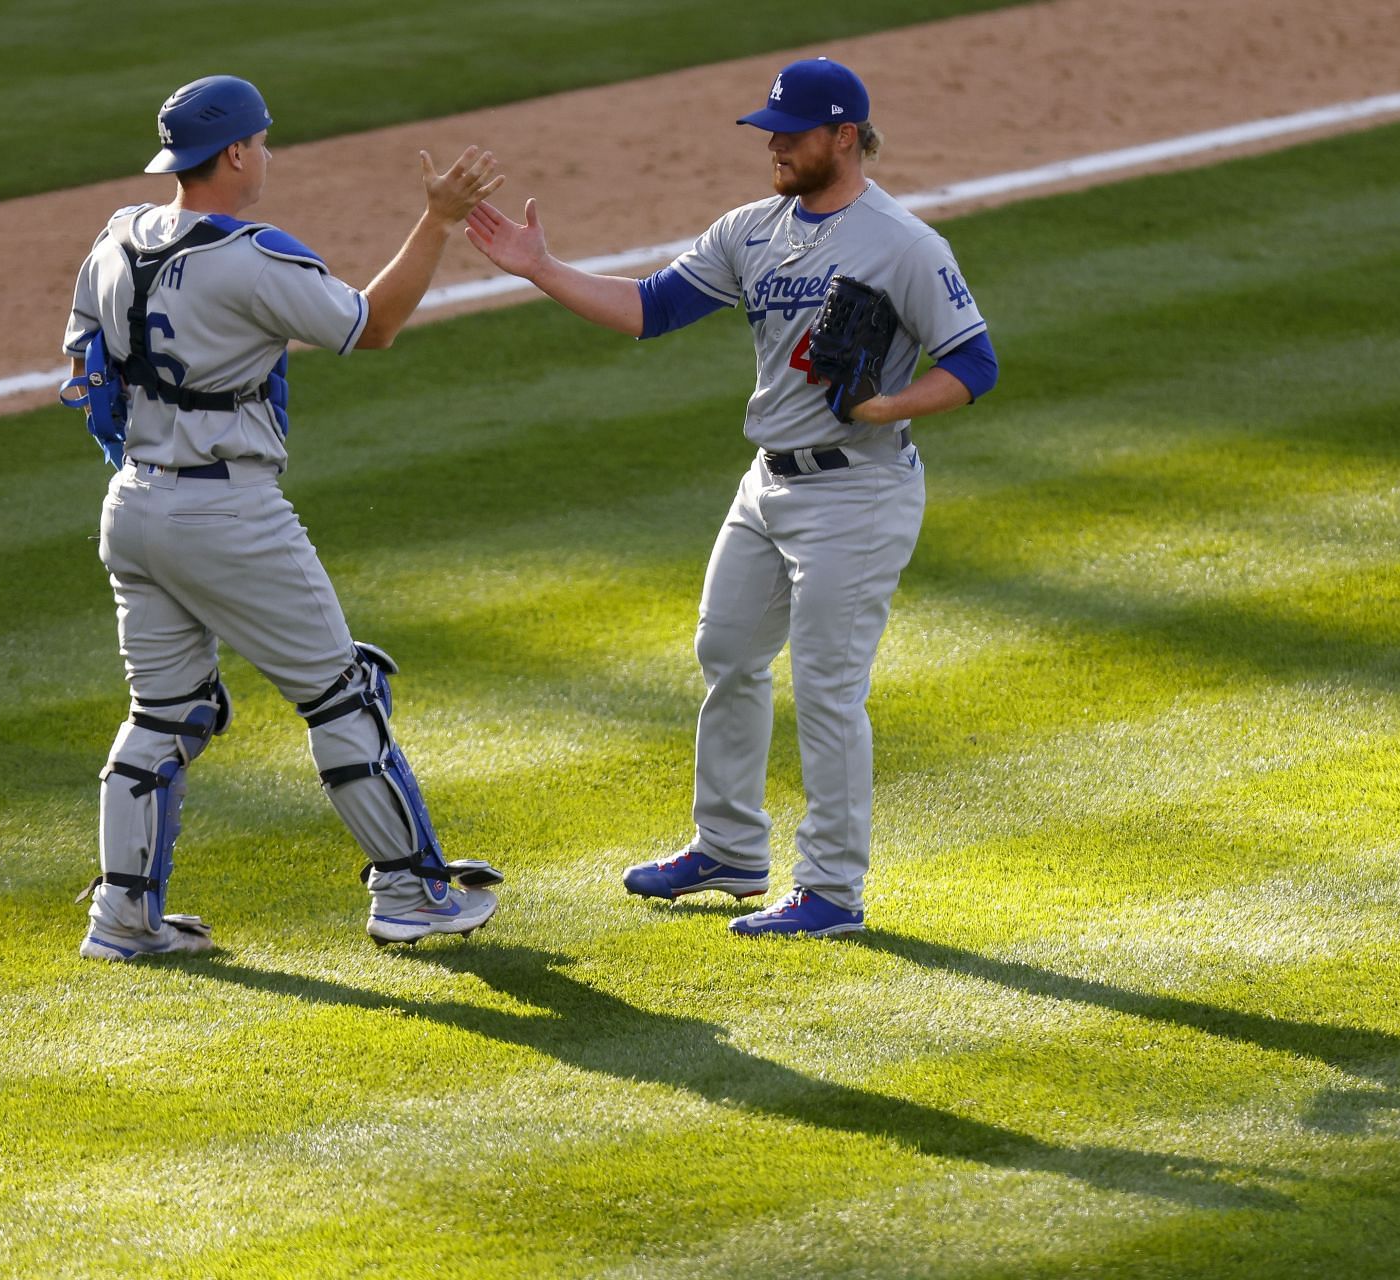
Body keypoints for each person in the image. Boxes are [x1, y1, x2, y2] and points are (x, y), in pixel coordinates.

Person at [465, 57, 999, 937]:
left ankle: (831, 891)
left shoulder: (904, 243)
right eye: (770, 132)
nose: (775, 145)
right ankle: (728, 848)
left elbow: (975, 363)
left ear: (842, 137)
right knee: (727, 652)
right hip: (767, 485)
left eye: (790, 133)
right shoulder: (751, 229)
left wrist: (886, 405)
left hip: (857, 491)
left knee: (828, 690)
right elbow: (650, 309)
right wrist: (541, 268)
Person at [61, 75, 509, 960]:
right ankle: (410, 895)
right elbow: (369, 326)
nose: (268, 155)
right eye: (262, 142)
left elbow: (87, 378)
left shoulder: (114, 240)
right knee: (343, 691)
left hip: (132, 505)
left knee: (164, 715)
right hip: (227, 512)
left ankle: (122, 918)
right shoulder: (249, 257)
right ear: (233, 153)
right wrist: (438, 220)